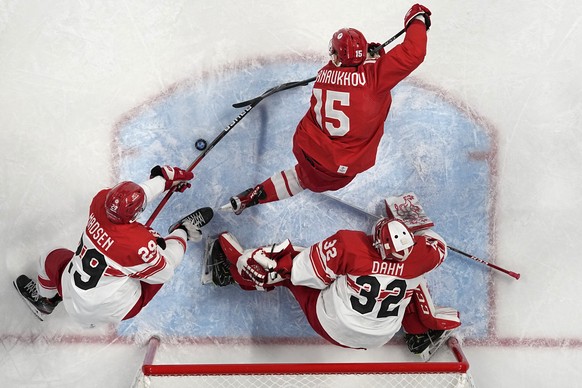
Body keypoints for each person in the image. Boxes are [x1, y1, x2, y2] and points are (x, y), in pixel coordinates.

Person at [224, 4, 432, 215]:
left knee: (303, 174)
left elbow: (351, 72)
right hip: (339, 168)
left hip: (307, 148)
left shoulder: (324, 75)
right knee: (305, 178)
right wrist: (416, 19)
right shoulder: (374, 78)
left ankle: (255, 195)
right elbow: (412, 53)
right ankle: (259, 194)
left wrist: (371, 59)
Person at [207, 212, 461, 360]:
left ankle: (228, 272)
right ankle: (420, 335)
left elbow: (304, 274)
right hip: (380, 337)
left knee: (288, 264)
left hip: (333, 325)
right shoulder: (424, 255)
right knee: (413, 282)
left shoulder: (350, 245)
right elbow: (437, 241)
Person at [13, 165, 213, 328]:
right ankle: (184, 230)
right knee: (159, 268)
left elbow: (132, 198)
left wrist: (161, 181)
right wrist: (158, 247)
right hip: (115, 309)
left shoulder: (100, 201)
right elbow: (165, 271)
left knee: (49, 258)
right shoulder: (138, 245)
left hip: (72, 291)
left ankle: (45, 302)